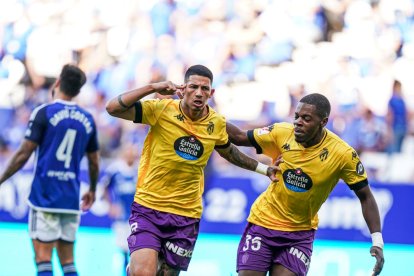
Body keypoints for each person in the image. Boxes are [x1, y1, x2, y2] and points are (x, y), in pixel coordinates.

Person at [105, 64, 281, 276]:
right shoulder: (161, 109)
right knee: (144, 272)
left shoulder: (216, 123)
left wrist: (264, 169)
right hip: (149, 207)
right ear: (182, 88)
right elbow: (112, 108)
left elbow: (229, 152)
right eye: (193, 86)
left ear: (211, 93)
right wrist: (153, 87)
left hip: (185, 215)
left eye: (204, 89)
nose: (199, 93)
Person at [226, 93, 385, 276]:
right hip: (263, 224)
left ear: (323, 122)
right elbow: (238, 137)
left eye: (306, 118)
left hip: (299, 235)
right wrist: (208, 116)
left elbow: (365, 196)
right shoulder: (281, 133)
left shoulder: (343, 154)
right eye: (297, 117)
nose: (298, 123)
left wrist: (377, 241)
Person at [0, 64, 99, 276]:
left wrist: (1, 178)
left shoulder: (43, 112)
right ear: (78, 90)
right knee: (68, 262)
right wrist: (92, 189)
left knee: (43, 259)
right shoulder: (88, 119)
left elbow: (23, 154)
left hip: (44, 196)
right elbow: (94, 161)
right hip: (71, 198)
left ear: (57, 83)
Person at [102, 143, 140, 275]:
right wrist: (110, 206)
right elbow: (104, 187)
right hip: (121, 216)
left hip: (138, 217)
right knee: (123, 248)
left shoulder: (141, 169)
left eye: (133, 153)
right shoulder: (115, 169)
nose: (131, 156)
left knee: (136, 250)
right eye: (128, 153)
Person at [386, 79, 408, 154]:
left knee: (397, 151)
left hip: (401, 127)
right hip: (397, 128)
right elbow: (390, 115)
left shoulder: (400, 100)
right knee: (396, 151)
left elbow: (406, 114)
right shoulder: (394, 100)